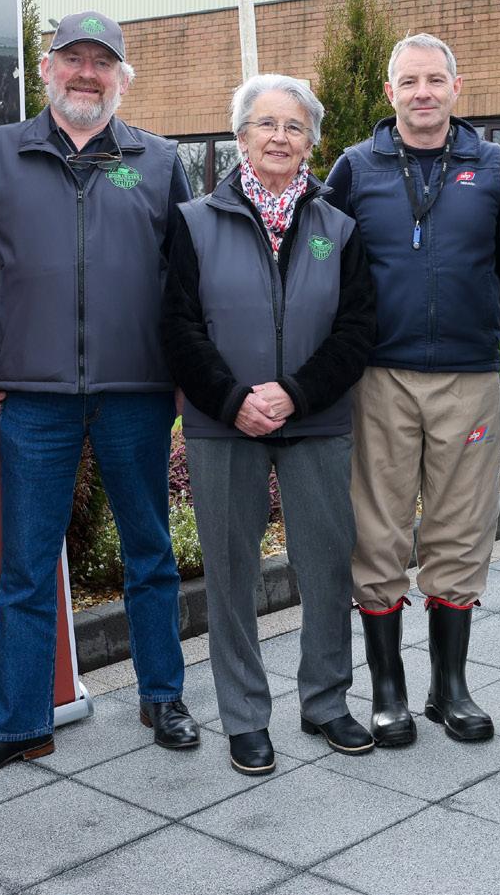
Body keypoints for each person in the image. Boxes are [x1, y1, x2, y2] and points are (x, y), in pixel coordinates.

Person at [0, 11, 197, 777]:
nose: (86, 73)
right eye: (72, 58)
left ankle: (163, 696)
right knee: (26, 565)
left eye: (101, 61)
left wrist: (193, 373)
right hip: (34, 396)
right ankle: (18, 723)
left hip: (136, 391)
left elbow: (188, 281)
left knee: (150, 553)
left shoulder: (159, 161)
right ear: (46, 69)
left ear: (121, 79)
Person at [161, 74, 375, 774]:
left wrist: (294, 394)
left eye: (294, 126)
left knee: (326, 564)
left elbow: (356, 330)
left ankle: (326, 701)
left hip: (316, 422)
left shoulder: (339, 227)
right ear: (241, 136)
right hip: (224, 425)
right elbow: (178, 327)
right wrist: (232, 400)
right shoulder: (194, 221)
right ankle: (246, 716)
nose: (280, 137)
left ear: (312, 142)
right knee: (229, 574)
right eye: (266, 124)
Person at [324, 33, 500, 746]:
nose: (422, 93)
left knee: (461, 528)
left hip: (469, 375)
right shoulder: (356, 167)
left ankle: (450, 687)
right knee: (377, 529)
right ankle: (388, 689)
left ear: (455, 86)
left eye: (435, 80)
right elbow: (329, 261)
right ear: (390, 92)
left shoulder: (492, 164)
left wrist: (484, 324)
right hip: (379, 375)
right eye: (409, 81)